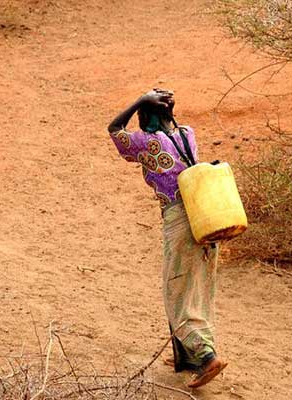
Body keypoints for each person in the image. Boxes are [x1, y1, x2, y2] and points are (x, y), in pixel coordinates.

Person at [107, 89, 228, 388]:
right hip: (205, 214)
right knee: (199, 287)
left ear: (146, 116)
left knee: (175, 291)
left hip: (178, 218)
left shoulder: (148, 142)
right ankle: (187, 357)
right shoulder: (188, 134)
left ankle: (205, 355)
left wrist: (138, 100)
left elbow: (114, 130)